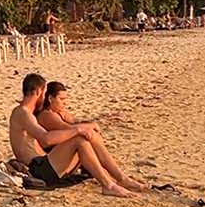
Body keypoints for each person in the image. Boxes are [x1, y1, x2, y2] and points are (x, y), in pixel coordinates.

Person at [8, 74, 144, 198]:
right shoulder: (23, 113)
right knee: (79, 140)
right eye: (43, 94)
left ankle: (120, 179)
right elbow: (46, 139)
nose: (44, 98)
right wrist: (77, 130)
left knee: (87, 138)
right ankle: (109, 185)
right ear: (38, 92)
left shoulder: (27, 113)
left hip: (45, 164)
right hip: (37, 169)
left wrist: (76, 125)